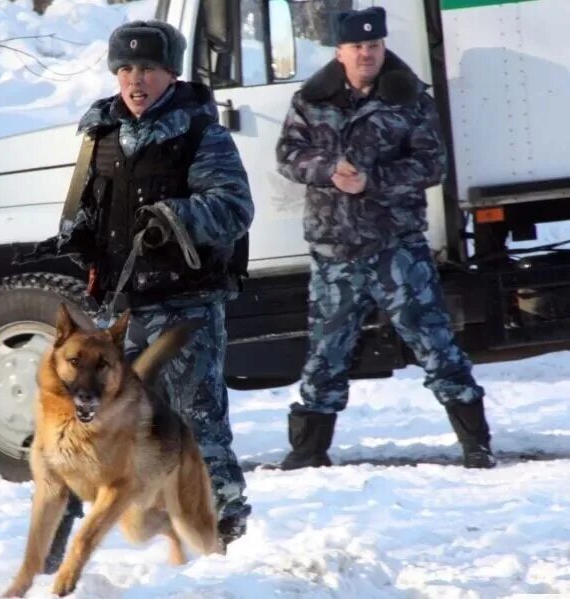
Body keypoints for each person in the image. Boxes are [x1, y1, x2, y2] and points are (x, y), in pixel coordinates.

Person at [29, 19, 254, 559]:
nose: (135, 79)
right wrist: (72, 242)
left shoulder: (201, 133)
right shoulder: (100, 135)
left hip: (186, 305)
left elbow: (235, 208)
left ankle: (220, 535)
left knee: (196, 424)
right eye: (126, 68)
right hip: (121, 313)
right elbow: (81, 209)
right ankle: (61, 534)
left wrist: (174, 219)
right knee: (87, 424)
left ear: (170, 72)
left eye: (148, 68)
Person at [275, 7, 496, 470]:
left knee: (436, 346)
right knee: (325, 355)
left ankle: (476, 444)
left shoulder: (409, 98)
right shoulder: (312, 100)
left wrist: (371, 180)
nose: (366, 54)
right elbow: (289, 155)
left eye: (373, 46)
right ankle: (308, 451)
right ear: (340, 51)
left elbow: (431, 165)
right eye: (357, 47)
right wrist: (329, 171)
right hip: (334, 249)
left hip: (396, 247)